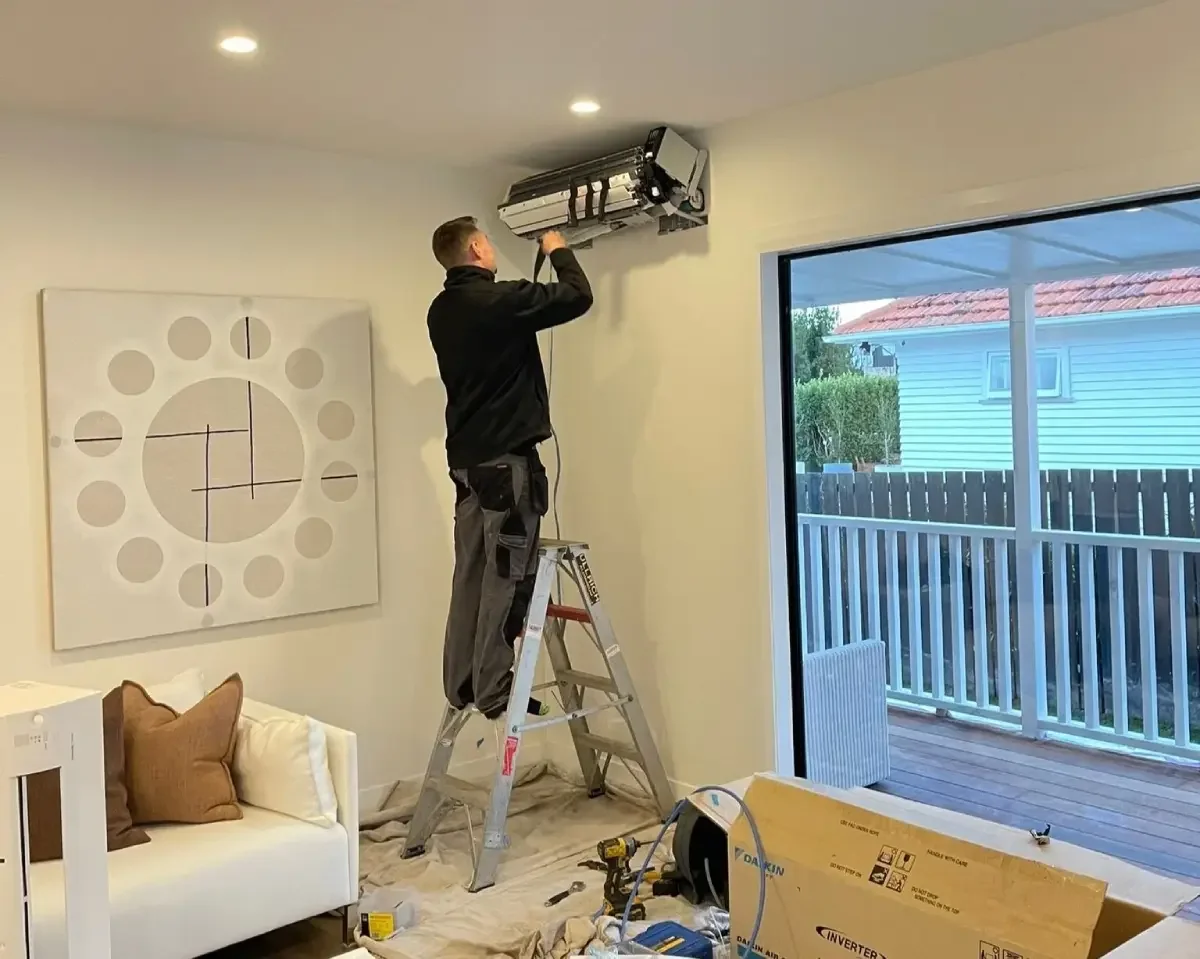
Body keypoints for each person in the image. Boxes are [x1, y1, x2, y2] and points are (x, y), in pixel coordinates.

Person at [427, 215, 594, 734]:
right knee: (507, 577)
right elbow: (577, 295)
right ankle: (495, 691)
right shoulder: (498, 301)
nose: (493, 250)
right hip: (506, 467)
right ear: (477, 248)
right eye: (489, 242)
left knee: (471, 576)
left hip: (468, 468)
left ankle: (462, 683)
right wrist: (556, 246)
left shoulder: (441, 310)